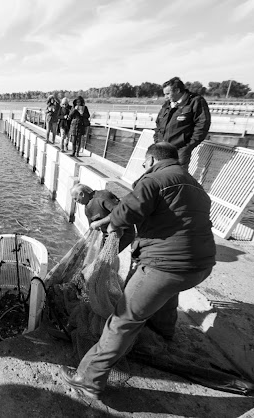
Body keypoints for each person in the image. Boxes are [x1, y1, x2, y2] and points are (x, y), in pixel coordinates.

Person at [61, 142, 216, 399]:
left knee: (122, 321)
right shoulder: (195, 185)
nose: (143, 169)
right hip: (200, 266)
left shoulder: (154, 179)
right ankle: (163, 332)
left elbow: (125, 213)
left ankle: (89, 380)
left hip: (165, 264)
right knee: (167, 293)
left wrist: (111, 227)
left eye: (144, 164)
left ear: (152, 160)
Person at [153, 77, 211, 170]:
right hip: (162, 149)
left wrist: (187, 147)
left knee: (177, 177)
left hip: (180, 151)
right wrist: (157, 141)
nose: (165, 97)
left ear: (177, 90)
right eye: (165, 94)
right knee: (159, 176)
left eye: (168, 94)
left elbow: (202, 125)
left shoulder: (195, 101)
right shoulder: (168, 104)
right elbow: (158, 125)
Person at [70, 184, 134, 252]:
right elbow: (92, 229)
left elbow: (119, 212)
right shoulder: (87, 210)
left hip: (123, 232)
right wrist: (87, 245)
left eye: (75, 198)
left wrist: (99, 223)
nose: (75, 201)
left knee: (105, 257)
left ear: (82, 194)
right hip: (107, 236)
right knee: (100, 256)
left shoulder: (102, 196)